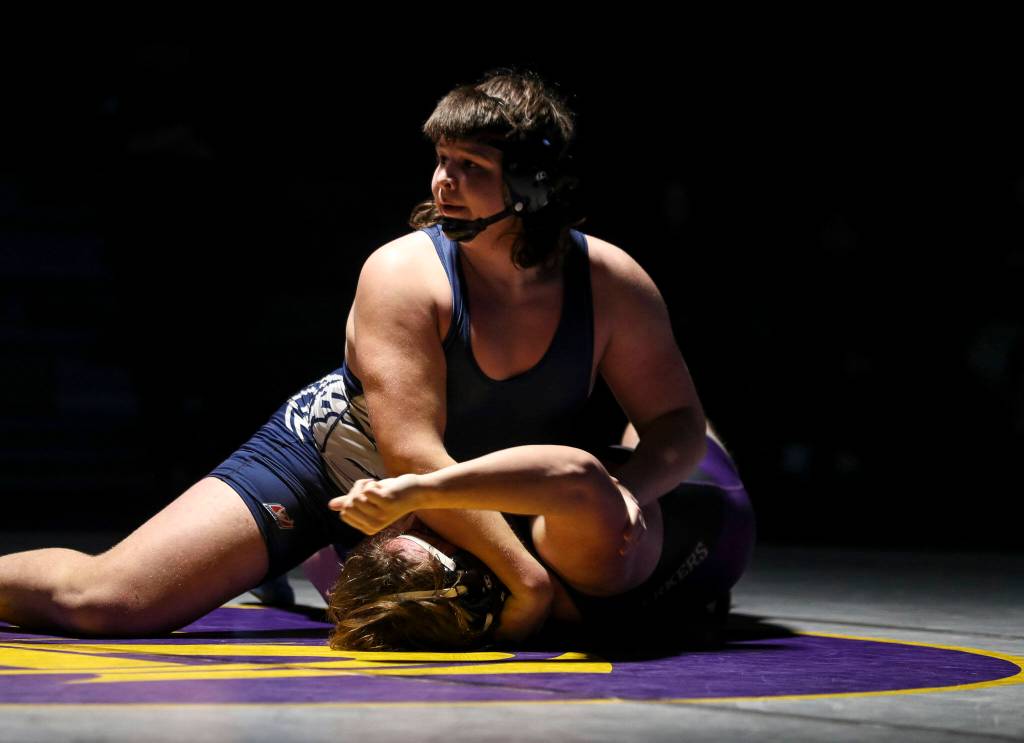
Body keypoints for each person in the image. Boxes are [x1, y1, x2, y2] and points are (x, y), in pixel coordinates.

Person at [0, 67, 710, 643]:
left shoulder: (610, 283)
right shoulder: (404, 274)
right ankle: (302, 546)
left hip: (470, 485)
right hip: (340, 459)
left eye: (469, 166)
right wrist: (528, 583)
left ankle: (313, 562)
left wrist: (630, 491)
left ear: (531, 184)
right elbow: (410, 454)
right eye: (440, 160)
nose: (442, 182)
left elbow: (678, 423)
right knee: (109, 602)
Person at [321, 426, 754, 651]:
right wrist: (421, 490)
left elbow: (331, 567)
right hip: (711, 512)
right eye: (421, 530)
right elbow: (578, 475)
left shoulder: (447, 607)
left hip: (679, 584)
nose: (414, 520)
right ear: (464, 573)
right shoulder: (574, 561)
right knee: (667, 414)